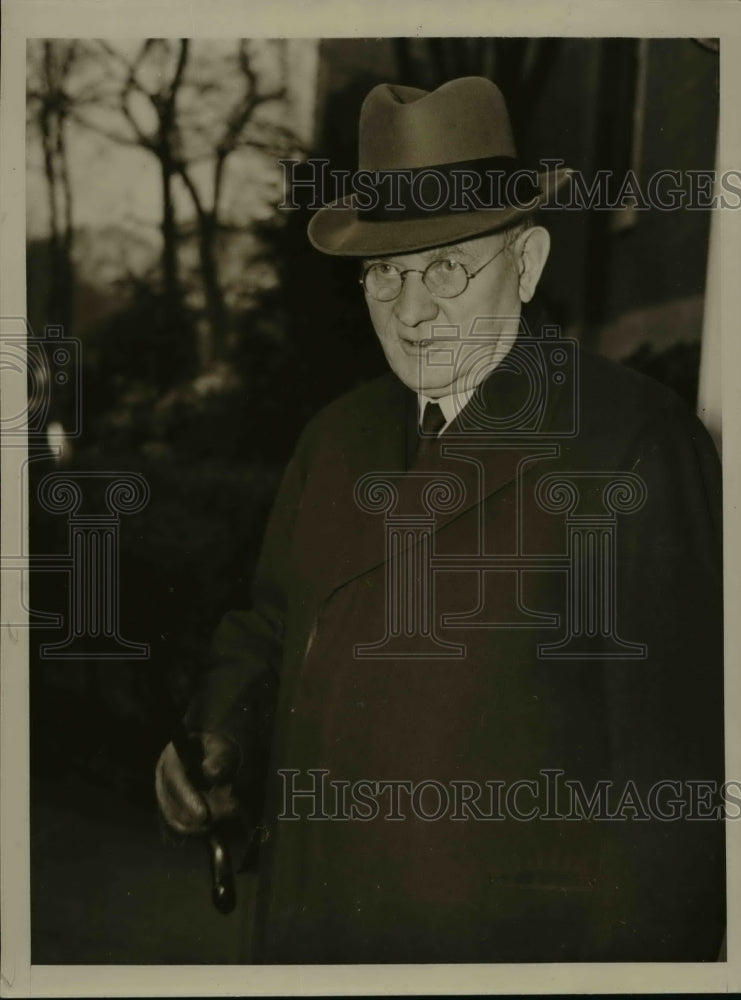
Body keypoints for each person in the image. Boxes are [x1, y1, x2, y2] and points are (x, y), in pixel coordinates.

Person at [155, 76, 725, 963]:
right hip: (311, 938)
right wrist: (219, 738)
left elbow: (671, 801)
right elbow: (272, 626)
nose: (410, 309)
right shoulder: (335, 436)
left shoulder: (631, 448)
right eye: (384, 270)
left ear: (527, 263)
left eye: (446, 266)